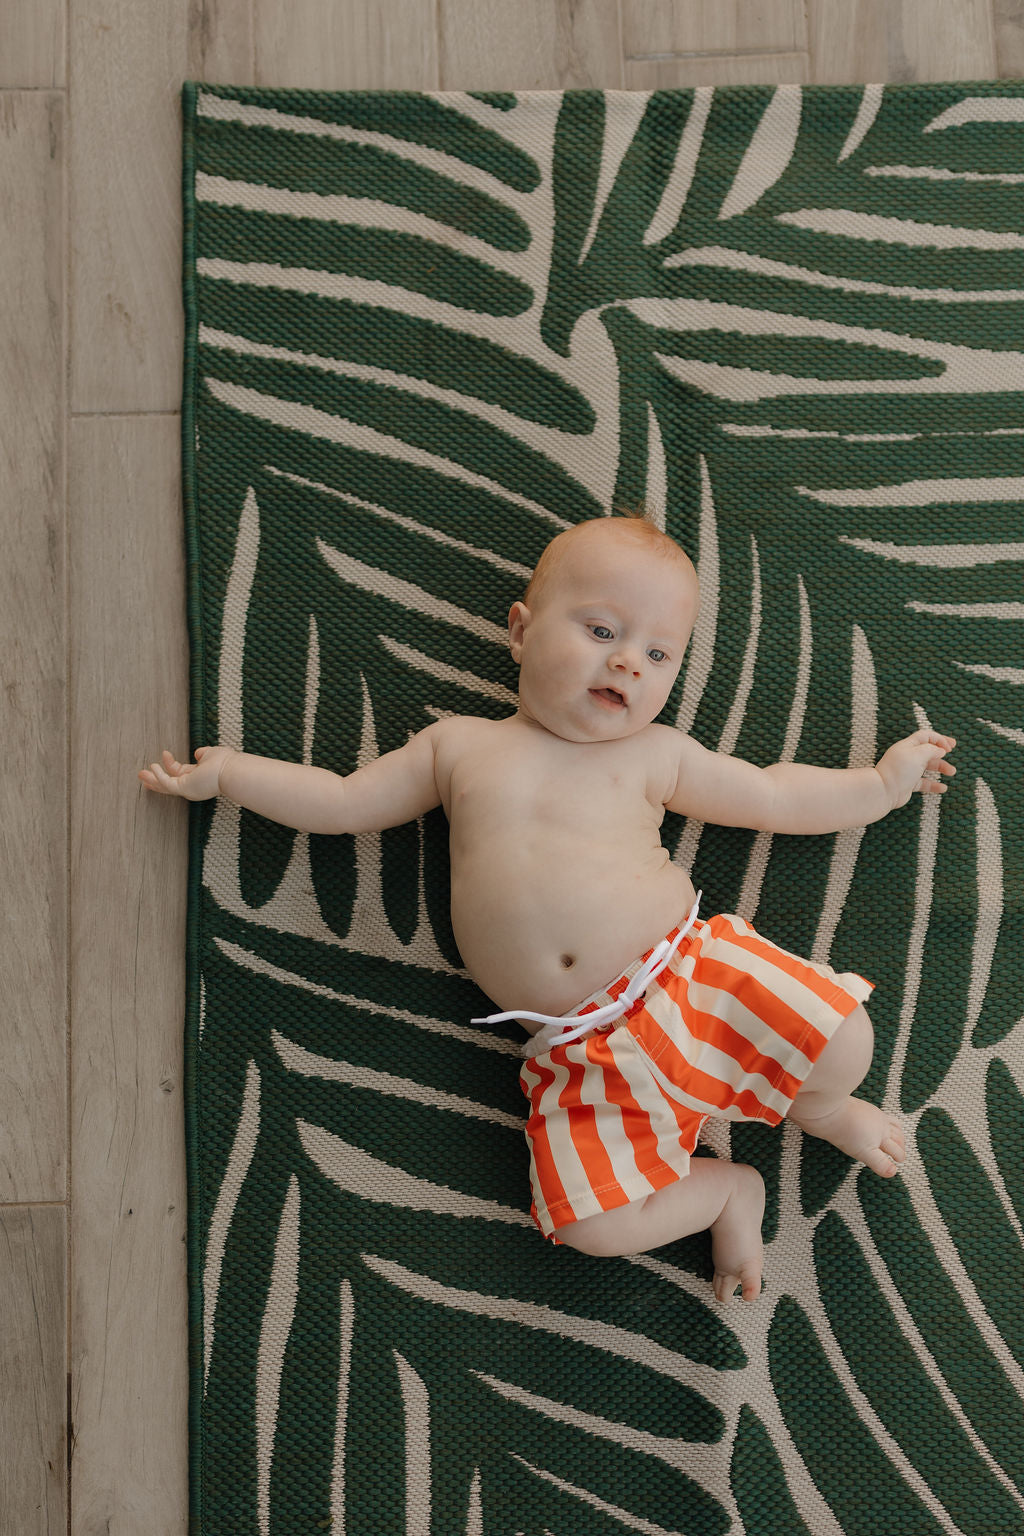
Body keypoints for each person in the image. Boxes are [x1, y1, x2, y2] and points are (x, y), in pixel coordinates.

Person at [139, 513, 956, 1302]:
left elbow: (773, 794)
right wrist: (234, 776)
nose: (629, 663)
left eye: (658, 652)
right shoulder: (459, 746)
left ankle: (821, 1109)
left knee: (846, 1037)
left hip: (685, 978)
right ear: (523, 631)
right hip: (577, 1050)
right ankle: (726, 1192)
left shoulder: (653, 754)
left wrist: (879, 787)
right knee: (588, 1223)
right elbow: (347, 801)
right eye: (602, 632)